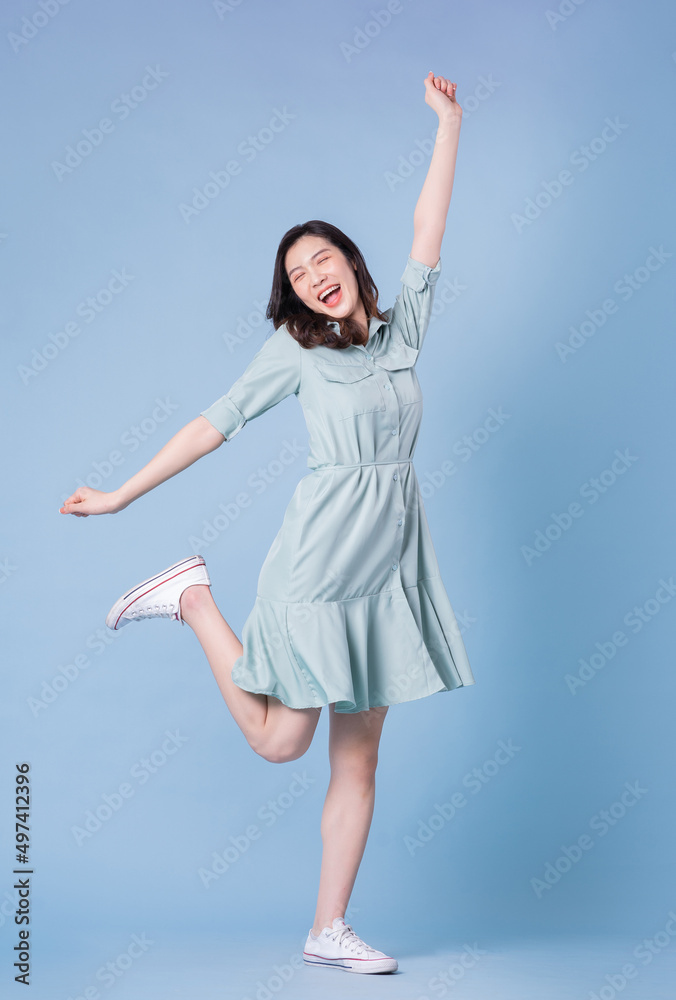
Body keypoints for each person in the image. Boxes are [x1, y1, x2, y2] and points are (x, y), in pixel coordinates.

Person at [60, 71, 475, 975]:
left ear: (349, 263)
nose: (313, 278)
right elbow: (216, 421)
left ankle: (328, 928)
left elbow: (429, 232)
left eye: (321, 260)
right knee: (281, 741)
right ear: (291, 297)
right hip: (321, 563)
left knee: (358, 762)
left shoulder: (402, 333)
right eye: (296, 275)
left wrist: (449, 124)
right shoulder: (296, 352)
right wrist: (122, 495)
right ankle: (194, 598)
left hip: (390, 566)